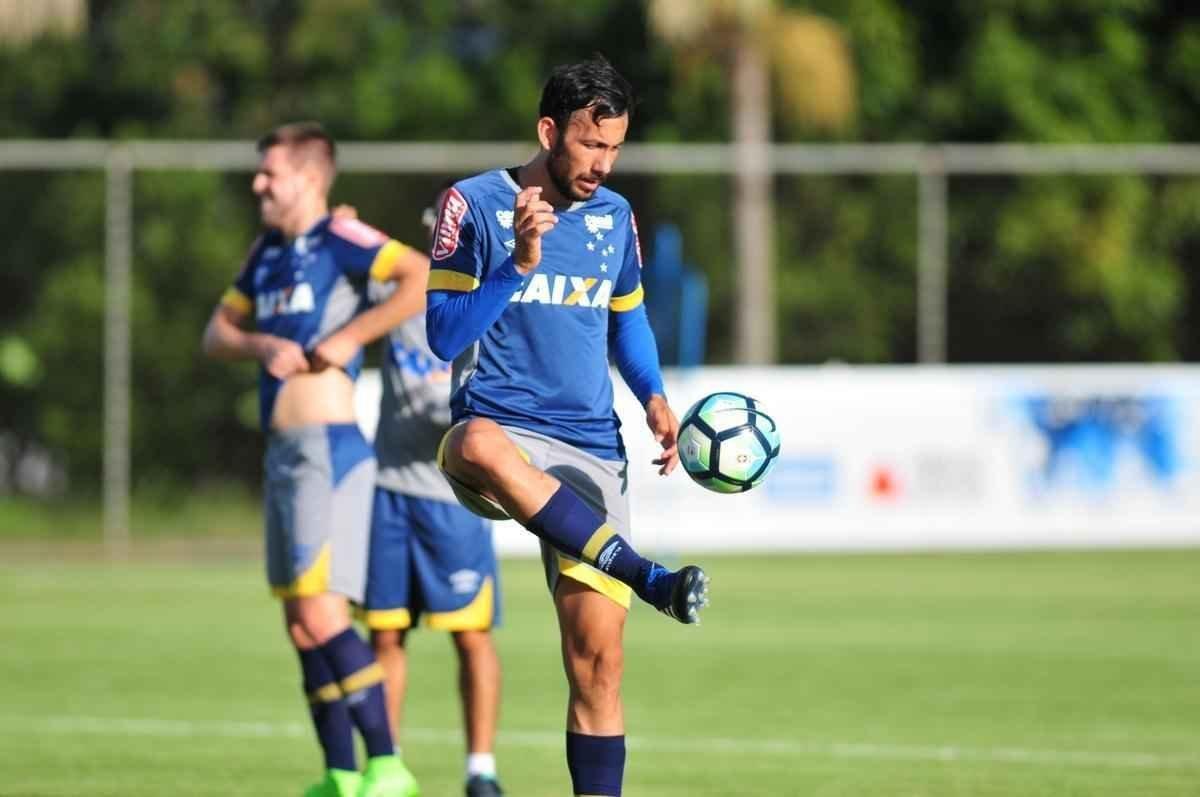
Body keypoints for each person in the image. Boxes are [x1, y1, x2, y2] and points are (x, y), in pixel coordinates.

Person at [424, 57, 710, 797]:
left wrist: (651, 393)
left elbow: (629, 319)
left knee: (598, 664)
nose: (601, 164)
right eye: (589, 145)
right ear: (549, 130)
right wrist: (518, 263)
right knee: (473, 443)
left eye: (613, 148)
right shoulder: (474, 204)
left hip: (590, 445)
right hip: (503, 432)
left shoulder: (615, 217)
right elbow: (442, 335)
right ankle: (645, 574)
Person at [201, 121, 428, 797]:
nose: (258, 183)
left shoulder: (341, 238)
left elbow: (419, 275)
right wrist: (264, 344)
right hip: (284, 454)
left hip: (329, 452)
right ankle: (339, 771)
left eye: (270, 172)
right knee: (301, 624)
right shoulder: (267, 253)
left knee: (324, 615)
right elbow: (217, 332)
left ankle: (389, 765)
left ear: (308, 176)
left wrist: (350, 334)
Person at [349, 189, 505, 797]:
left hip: (454, 498)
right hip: (388, 491)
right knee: (385, 635)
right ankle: (385, 768)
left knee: (471, 636)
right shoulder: (399, 295)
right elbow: (344, 264)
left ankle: (481, 770)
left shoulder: (490, 307)